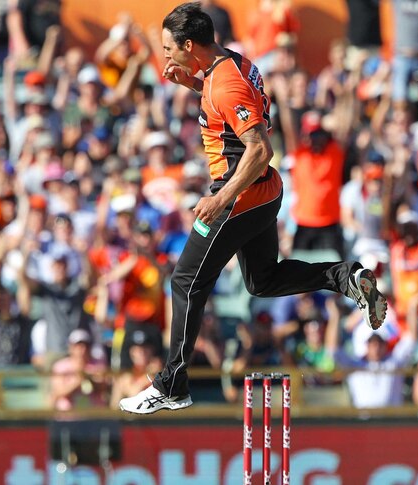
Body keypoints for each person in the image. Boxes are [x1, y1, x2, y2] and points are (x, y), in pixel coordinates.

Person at [119, 3, 387, 414]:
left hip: (239, 198)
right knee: (262, 281)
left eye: (170, 48)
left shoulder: (226, 82)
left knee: (185, 281)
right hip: (262, 195)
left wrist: (220, 199)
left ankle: (172, 383)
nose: (166, 55)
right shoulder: (232, 64)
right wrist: (191, 83)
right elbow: (227, 111)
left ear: (190, 45)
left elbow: (261, 148)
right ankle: (344, 276)